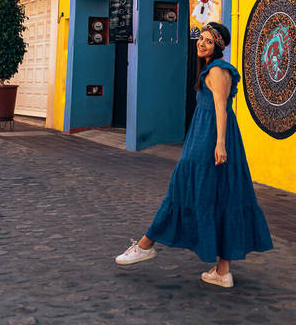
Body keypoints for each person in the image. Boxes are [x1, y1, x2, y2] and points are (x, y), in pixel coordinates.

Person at [115, 22, 273, 288]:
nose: (202, 43)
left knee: (183, 187)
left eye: (209, 41)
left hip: (210, 137)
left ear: (219, 46)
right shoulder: (211, 70)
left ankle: (146, 244)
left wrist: (220, 143)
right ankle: (223, 271)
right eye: (201, 38)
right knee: (220, 194)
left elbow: (221, 108)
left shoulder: (218, 70)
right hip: (206, 134)